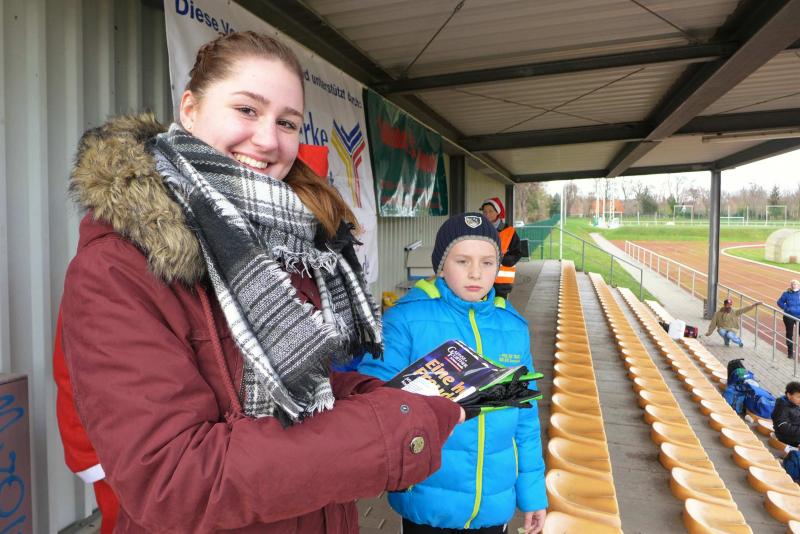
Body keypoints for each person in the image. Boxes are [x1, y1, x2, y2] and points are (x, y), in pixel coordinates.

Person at [58, 31, 463, 533]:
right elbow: (177, 479)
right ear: (190, 109)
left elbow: (298, 385)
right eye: (247, 110)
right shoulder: (116, 267)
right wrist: (393, 430)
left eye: (287, 122)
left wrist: (379, 396)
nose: (268, 140)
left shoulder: (289, 239)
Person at [359, 213, 547, 534]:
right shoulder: (404, 319)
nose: (476, 272)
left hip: (493, 505)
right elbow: (371, 399)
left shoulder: (513, 327)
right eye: (462, 261)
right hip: (426, 501)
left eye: (487, 262)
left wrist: (533, 495)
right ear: (441, 266)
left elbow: (526, 421)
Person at [480, 197, 522, 299]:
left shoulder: (509, 232)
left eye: (491, 211)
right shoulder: (479, 230)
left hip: (501, 283)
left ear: (497, 212)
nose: (487, 214)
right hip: (481, 280)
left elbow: (517, 253)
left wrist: (503, 259)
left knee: (499, 306)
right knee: (481, 306)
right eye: (485, 212)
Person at [772, 381, 800, 449]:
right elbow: (783, 427)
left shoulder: (793, 404)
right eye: (798, 397)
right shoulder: (783, 407)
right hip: (786, 438)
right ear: (789, 395)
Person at [777, 280, 800, 358]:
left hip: (799, 316)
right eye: (793, 284)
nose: (794, 285)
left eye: (796, 284)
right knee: (789, 334)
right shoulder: (786, 294)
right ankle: (790, 353)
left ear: (798, 285)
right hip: (789, 316)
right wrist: (786, 308)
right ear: (791, 285)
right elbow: (779, 302)